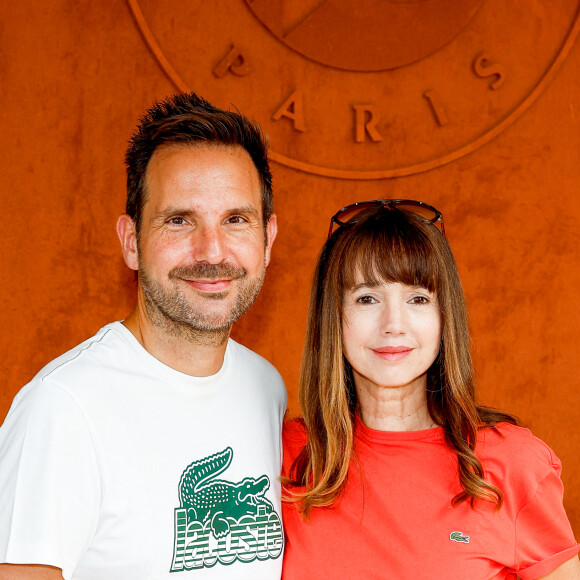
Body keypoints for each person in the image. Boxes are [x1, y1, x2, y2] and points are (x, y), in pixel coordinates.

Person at [0, 92, 286, 579]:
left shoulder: (266, 387)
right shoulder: (64, 407)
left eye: (235, 220)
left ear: (267, 239)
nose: (211, 250)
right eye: (179, 220)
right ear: (131, 242)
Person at [282, 200, 580, 579]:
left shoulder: (513, 463)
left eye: (418, 298)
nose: (393, 324)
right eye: (367, 298)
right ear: (333, 317)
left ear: (444, 317)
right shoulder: (286, 456)